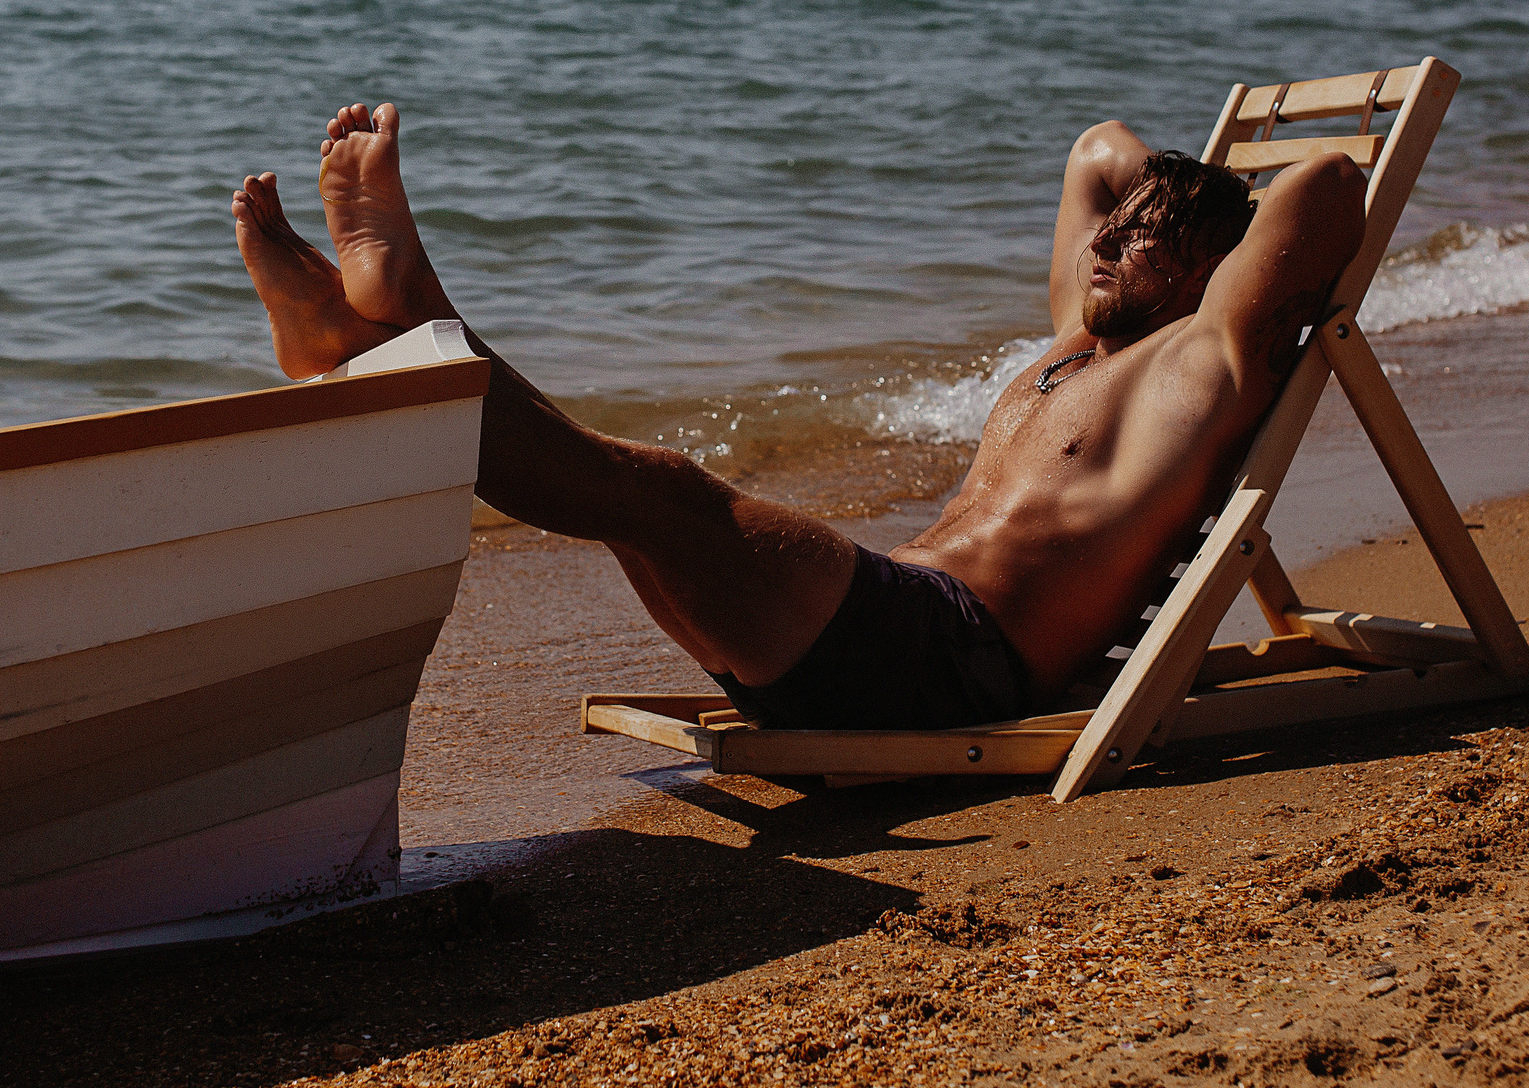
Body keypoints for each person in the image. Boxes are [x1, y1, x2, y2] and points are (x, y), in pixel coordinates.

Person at [232, 103, 1366, 729]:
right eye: (1111, 229)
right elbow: (1093, 148)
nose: (1107, 237)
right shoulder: (1078, 343)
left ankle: (392, 315)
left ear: (1214, 267)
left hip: (940, 662)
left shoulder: (1203, 363)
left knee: (656, 490)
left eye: (1145, 230)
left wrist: (1209, 209)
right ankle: (382, 325)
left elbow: (1326, 184)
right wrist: (1161, 182)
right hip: (875, 630)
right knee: (635, 503)